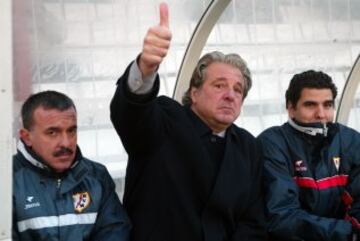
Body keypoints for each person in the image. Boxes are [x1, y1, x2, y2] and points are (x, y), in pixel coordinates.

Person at [110, 3, 267, 241]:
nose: (230, 95)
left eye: (238, 89)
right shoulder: (165, 120)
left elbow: (253, 220)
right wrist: (145, 68)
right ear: (194, 92)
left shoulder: (248, 147)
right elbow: (132, 114)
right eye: (219, 85)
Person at [12, 90, 131, 241]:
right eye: (52, 132)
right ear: (26, 137)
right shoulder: (7, 181)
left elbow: (115, 232)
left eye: (71, 131)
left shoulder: (96, 176)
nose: (66, 143)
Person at [257, 70, 360, 241]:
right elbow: (282, 216)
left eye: (327, 105)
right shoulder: (272, 144)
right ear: (291, 108)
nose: (320, 114)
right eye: (310, 105)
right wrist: (349, 233)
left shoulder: (350, 140)